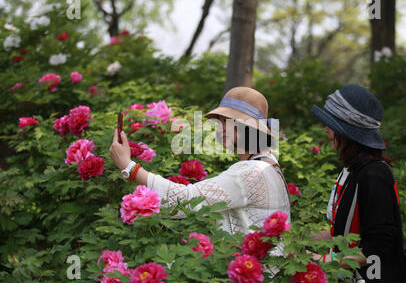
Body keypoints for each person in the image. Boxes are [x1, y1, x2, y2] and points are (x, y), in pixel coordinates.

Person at [109, 86, 290, 236]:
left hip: (260, 274)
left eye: (228, 122)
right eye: (219, 122)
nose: (220, 129)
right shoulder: (268, 162)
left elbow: (186, 200)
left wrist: (129, 166)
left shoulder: (250, 171)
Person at [309, 84, 406, 283]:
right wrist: (298, 238)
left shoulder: (374, 175)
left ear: (347, 132)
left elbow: (376, 249)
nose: (326, 129)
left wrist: (321, 260)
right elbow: (344, 232)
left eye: (331, 124)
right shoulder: (353, 169)